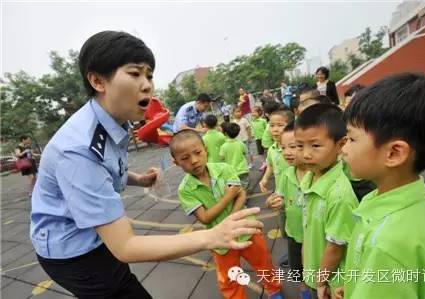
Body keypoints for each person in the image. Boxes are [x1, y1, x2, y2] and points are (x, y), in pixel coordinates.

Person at [30, 31, 262, 299]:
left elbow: (105, 168)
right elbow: (126, 246)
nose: (147, 84)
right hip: (73, 251)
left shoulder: (113, 119)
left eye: (149, 75)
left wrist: (138, 179)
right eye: (134, 73)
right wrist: (212, 236)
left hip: (93, 233)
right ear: (97, 80)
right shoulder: (79, 151)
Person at [335, 73, 425, 299]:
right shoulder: (415, 205)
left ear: (394, 153)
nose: (344, 148)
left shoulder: (386, 244)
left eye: (352, 138)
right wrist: (354, 285)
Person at [172, 130, 283, 299]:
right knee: (229, 277)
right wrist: (228, 197)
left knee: (264, 263)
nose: (194, 161)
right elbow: (205, 217)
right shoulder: (185, 189)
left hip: (246, 229)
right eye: (185, 158)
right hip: (220, 242)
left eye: (197, 153)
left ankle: (274, 289)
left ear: (206, 150)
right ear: (176, 162)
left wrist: (232, 216)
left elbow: (242, 194)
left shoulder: (223, 169)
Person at [295, 104, 358, 298]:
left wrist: (321, 280)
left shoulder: (339, 194)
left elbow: (335, 248)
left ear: (341, 144)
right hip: (315, 271)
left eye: (315, 146)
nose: (306, 154)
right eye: (300, 145)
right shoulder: (309, 178)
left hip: (332, 282)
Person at [266, 121, 309, 298]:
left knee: (315, 269)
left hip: (313, 237)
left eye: (293, 146)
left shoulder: (317, 175)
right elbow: (281, 198)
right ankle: (303, 290)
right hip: (293, 233)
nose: (287, 152)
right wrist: (274, 201)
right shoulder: (287, 175)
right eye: (283, 147)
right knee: (296, 267)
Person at [259, 109, 294, 268]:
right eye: (272, 125)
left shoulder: (295, 148)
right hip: (280, 196)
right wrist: (265, 179)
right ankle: (292, 252)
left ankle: (301, 256)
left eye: (280, 125)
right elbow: (270, 166)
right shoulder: (272, 149)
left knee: (299, 229)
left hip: (296, 196)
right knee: (284, 228)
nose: (275, 129)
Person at [220, 123, 250, 190]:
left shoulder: (224, 146)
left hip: (232, 172)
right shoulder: (240, 143)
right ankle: (243, 196)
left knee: (235, 188)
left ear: (225, 133)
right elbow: (245, 152)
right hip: (243, 169)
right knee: (244, 187)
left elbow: (221, 157)